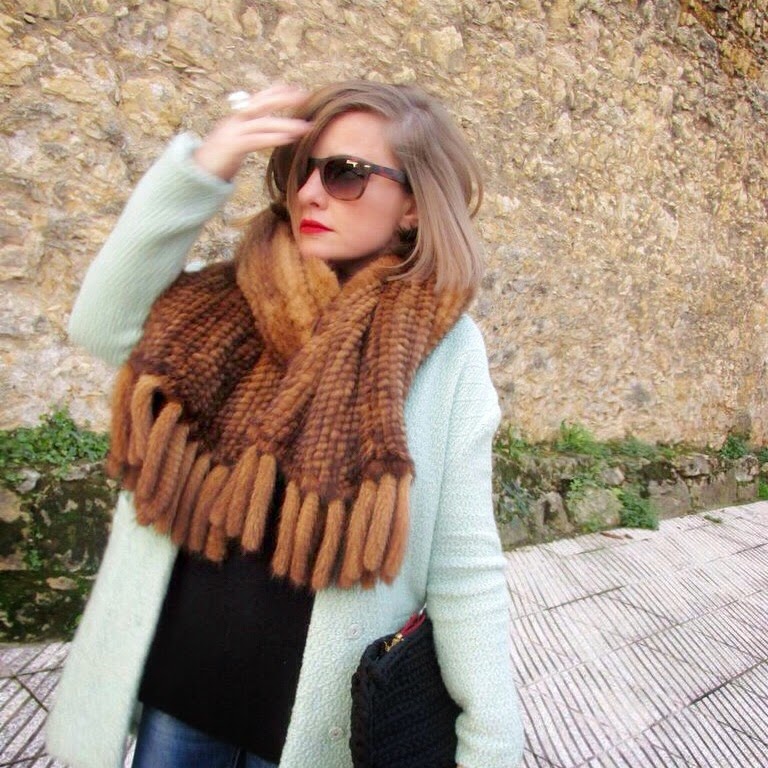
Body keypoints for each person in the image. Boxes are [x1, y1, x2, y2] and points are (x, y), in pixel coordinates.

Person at [45, 81, 524, 768]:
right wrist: (203, 169)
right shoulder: (224, 297)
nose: (311, 193)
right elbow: (100, 323)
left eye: (345, 173)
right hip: (180, 697)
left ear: (414, 206)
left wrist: (491, 743)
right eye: (305, 170)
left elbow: (463, 564)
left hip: (310, 727)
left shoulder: (446, 351)